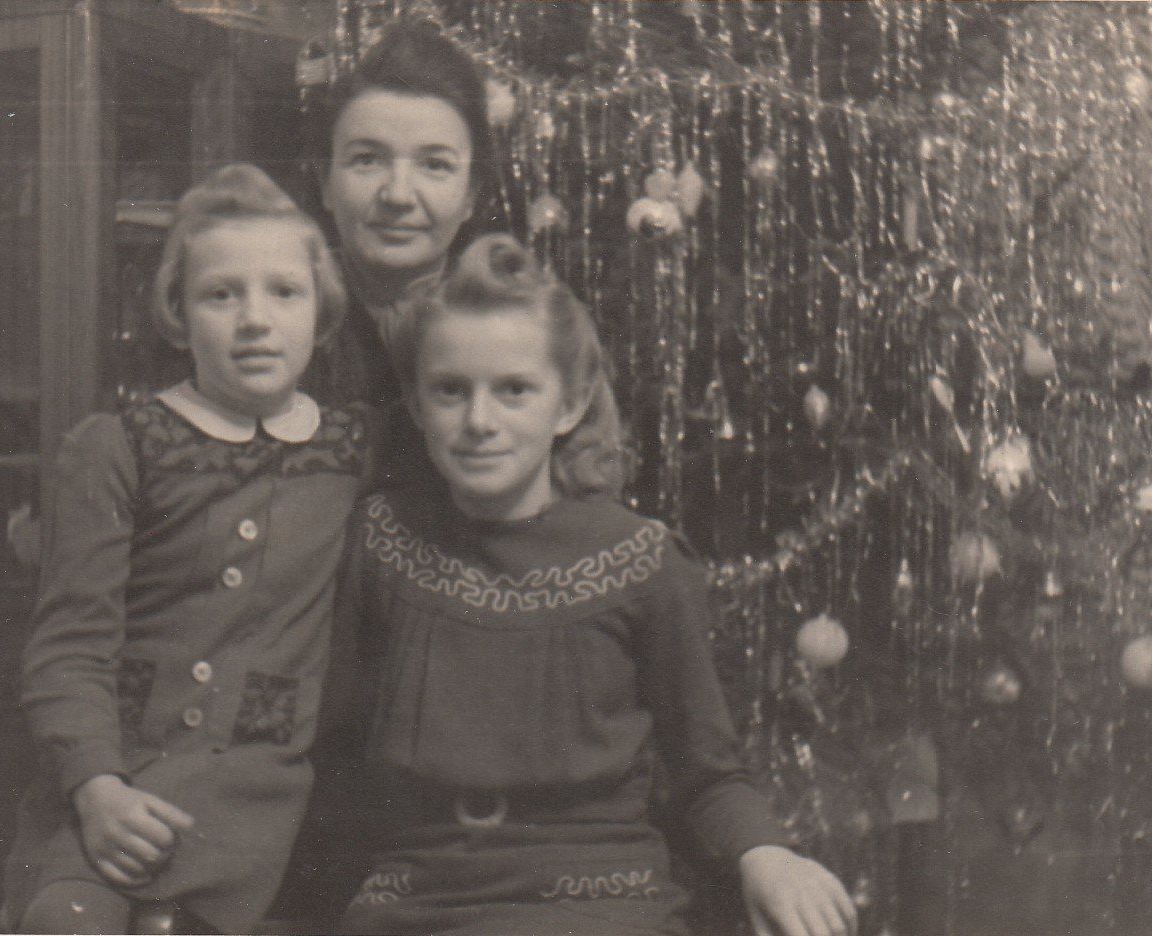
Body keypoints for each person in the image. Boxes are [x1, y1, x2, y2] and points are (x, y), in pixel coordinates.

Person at [330, 234, 859, 936]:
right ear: (416, 404)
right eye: (451, 391)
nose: (479, 422)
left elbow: (706, 772)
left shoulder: (641, 561)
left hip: (599, 901)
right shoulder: (381, 540)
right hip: (417, 900)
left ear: (570, 404)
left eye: (514, 390)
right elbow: (331, 759)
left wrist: (767, 855)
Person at [0, 164, 368, 934]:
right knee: (64, 920)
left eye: (284, 292)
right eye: (220, 295)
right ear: (177, 312)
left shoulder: (349, 452)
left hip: (254, 811)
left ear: (322, 312)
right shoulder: (116, 448)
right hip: (116, 790)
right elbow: (68, 647)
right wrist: (96, 785)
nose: (255, 319)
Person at [304, 17, 495, 411]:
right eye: (367, 160)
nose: (398, 195)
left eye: (435, 165)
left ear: (471, 195)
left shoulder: (513, 322)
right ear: (325, 183)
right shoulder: (278, 315)